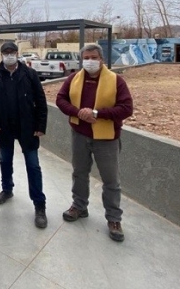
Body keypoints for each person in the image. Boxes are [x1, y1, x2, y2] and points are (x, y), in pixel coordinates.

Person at [55, 43, 133, 242]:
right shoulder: (74, 79)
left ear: (101, 60)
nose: (90, 61)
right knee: (79, 173)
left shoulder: (116, 81)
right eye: (86, 57)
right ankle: (79, 207)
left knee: (111, 181)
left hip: (106, 139)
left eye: (93, 57)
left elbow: (126, 108)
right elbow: (61, 100)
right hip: (80, 135)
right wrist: (78, 112)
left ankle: (114, 219)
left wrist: (97, 113)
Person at [0, 41, 49, 228]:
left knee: (33, 165)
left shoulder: (29, 74)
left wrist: (40, 126)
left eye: (12, 52)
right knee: (5, 160)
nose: (9, 55)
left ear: (17, 53)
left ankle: (39, 204)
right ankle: (7, 189)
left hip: (28, 127)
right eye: (5, 52)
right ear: (1, 54)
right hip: (4, 127)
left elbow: (41, 101)